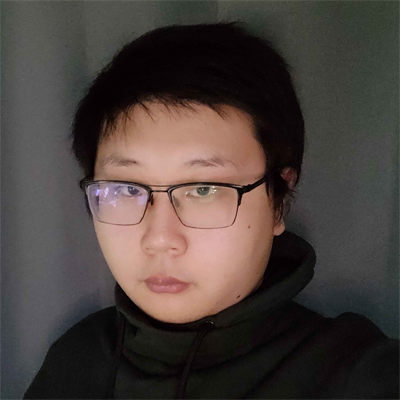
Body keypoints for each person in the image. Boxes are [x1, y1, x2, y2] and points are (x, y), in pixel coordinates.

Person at [24, 22, 400, 400]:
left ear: (279, 201)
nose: (159, 239)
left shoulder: (356, 375)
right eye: (125, 188)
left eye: (204, 189)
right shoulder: (77, 359)